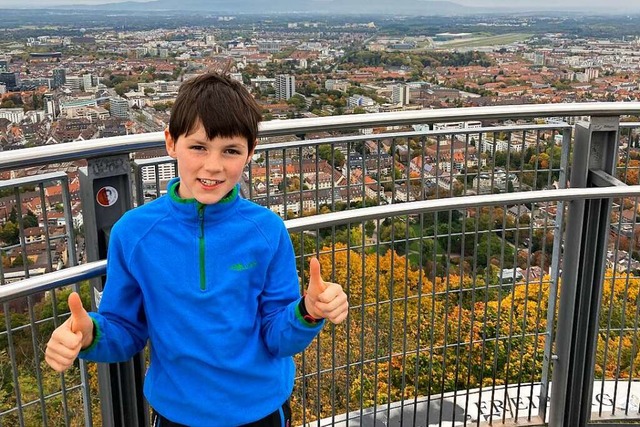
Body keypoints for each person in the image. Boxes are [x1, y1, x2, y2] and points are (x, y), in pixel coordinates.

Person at [45, 71, 349, 427]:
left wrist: (308, 312)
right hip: (177, 414)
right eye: (199, 147)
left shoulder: (267, 231)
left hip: (261, 411)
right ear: (171, 143)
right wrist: (89, 334)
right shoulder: (134, 233)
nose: (213, 166)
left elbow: (276, 336)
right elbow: (125, 330)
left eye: (231, 150)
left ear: (250, 153)